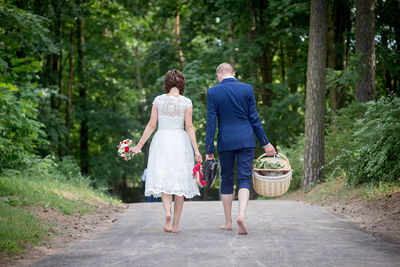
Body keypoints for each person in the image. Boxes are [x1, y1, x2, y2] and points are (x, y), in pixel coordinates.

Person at [205, 63, 276, 235]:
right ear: (233, 73)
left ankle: (228, 222)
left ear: (219, 75)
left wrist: (209, 149)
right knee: (244, 177)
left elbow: (211, 123)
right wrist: (266, 143)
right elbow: (254, 119)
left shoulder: (213, 92)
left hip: (225, 141)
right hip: (246, 140)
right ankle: (241, 215)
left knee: (227, 178)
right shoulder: (247, 89)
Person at [131, 69, 202, 233]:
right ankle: (175, 225)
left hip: (161, 140)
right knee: (180, 184)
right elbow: (189, 127)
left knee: (165, 178)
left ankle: (167, 213)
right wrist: (196, 150)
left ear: (167, 84)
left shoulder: (158, 100)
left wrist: (139, 145)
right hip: (180, 141)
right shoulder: (186, 102)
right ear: (182, 85)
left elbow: (151, 125)